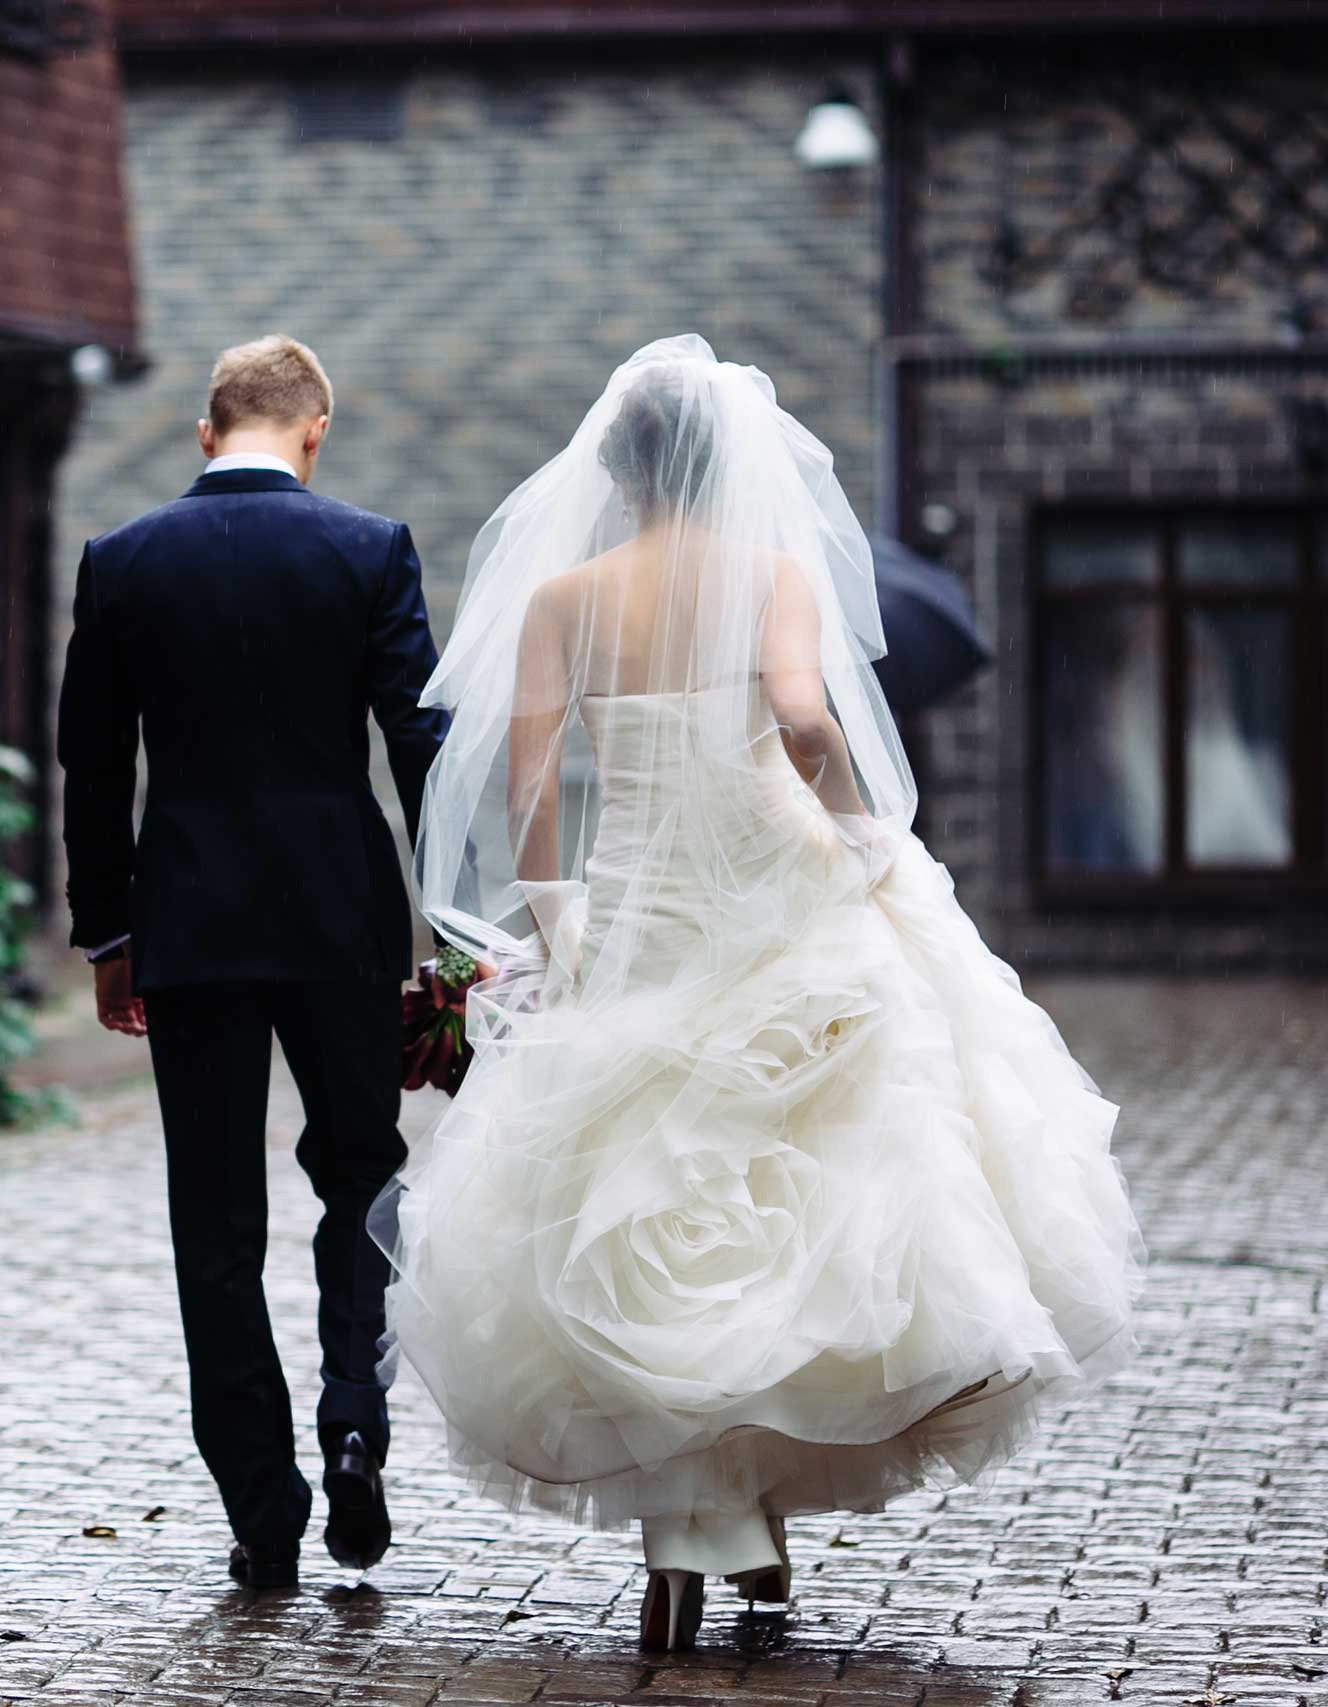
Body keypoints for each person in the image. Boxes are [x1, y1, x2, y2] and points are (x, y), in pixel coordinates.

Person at [377, 336, 1143, 1648]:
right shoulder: (771, 575)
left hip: (639, 905)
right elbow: (805, 719)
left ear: (617, 470)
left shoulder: (568, 594)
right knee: (793, 1202)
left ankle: (701, 1535)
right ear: (727, 461)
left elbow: (528, 782)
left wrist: (559, 920)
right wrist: (863, 829)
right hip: (773, 893)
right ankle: (739, 1535)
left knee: (646, 1203)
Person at [58, 333, 447, 1590]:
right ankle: (353, 1419)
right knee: (361, 1173)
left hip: (190, 925)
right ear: (315, 431)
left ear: (205, 431)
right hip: (341, 917)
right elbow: (420, 742)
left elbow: (92, 764)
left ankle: (261, 1507)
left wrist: (109, 931)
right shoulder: (369, 549)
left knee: (213, 1220)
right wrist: (450, 931)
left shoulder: (121, 562)